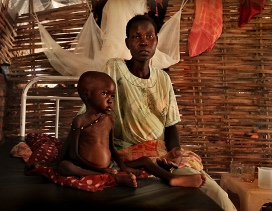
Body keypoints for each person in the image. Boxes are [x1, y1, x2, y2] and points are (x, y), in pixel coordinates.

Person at [98, 14, 237, 211]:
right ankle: (171, 178)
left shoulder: (163, 78)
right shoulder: (114, 69)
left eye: (149, 36)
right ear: (127, 43)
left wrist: (175, 153)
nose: (144, 42)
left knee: (216, 194)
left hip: (160, 152)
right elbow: (96, 110)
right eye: (136, 37)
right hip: (128, 152)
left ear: (156, 41)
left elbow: (171, 125)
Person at [57, 70, 206, 188]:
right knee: (65, 166)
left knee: (145, 161)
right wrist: (102, 170)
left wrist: (122, 167)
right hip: (87, 166)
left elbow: (112, 149)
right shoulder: (80, 121)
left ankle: (172, 178)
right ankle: (114, 177)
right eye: (104, 93)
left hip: (111, 166)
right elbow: (73, 154)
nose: (110, 99)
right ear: (86, 95)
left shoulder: (109, 120)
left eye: (113, 96)